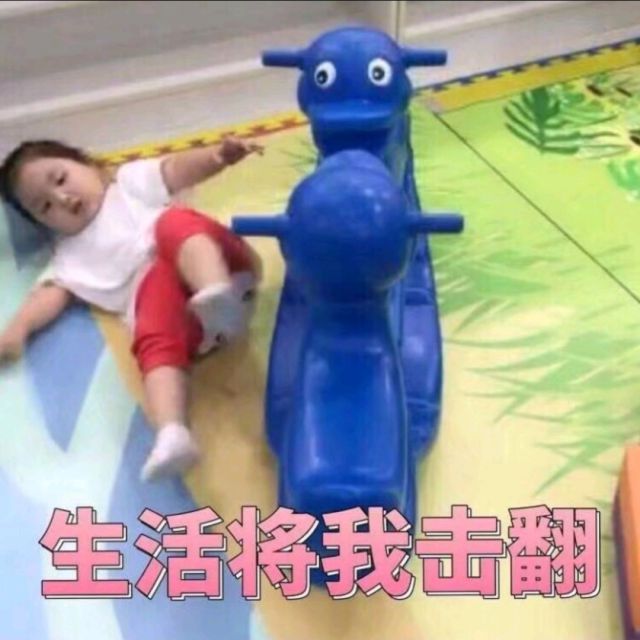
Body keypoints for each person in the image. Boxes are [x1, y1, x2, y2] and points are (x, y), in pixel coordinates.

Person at [0, 136, 263, 481]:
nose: (62, 199)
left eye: (61, 179)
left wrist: (218, 156)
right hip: (194, 328)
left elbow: (176, 169)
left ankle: (215, 291)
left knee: (172, 224)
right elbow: (48, 295)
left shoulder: (129, 185)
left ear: (91, 165)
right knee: (150, 330)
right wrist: (17, 330)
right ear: (43, 225)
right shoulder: (68, 258)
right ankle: (172, 432)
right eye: (45, 207)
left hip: (226, 266)